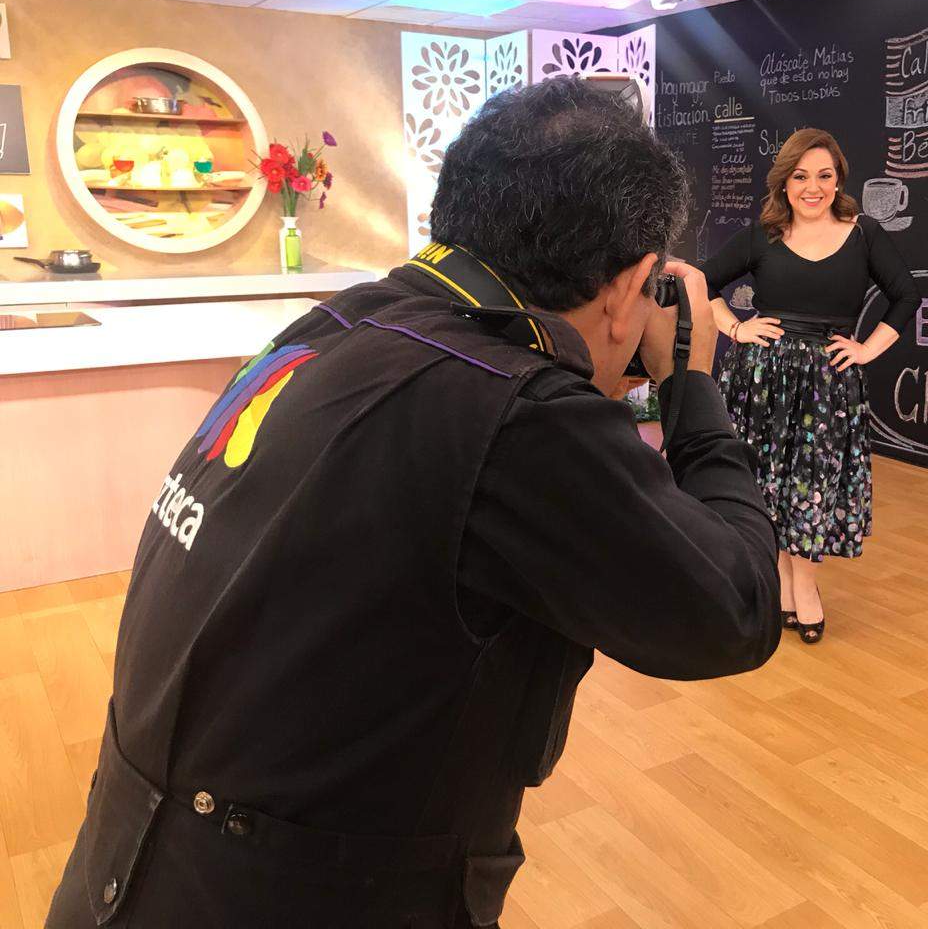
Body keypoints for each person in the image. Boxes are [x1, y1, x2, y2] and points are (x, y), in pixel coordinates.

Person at [47, 78, 781, 929]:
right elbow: (735, 608)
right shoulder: (515, 411)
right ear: (630, 288)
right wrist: (690, 384)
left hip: (129, 868)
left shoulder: (338, 324)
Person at [699, 128, 920, 644]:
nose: (812, 187)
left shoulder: (863, 234)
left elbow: (906, 295)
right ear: (785, 182)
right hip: (762, 382)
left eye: (824, 175)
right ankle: (780, 582)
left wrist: (866, 349)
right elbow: (702, 281)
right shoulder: (764, 234)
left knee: (811, 485)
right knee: (768, 484)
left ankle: (805, 585)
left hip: (828, 385)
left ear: (838, 179)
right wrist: (736, 328)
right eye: (800, 176)